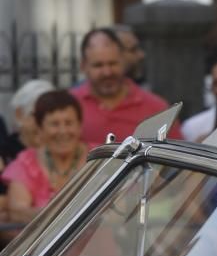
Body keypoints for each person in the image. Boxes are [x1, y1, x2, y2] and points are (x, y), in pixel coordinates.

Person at [70, 28, 179, 147]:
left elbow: (177, 158)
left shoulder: (157, 109)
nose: (107, 72)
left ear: (123, 62)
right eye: (98, 65)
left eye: (112, 63)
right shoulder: (69, 105)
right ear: (83, 66)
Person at [2, 90, 87, 223]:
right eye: (54, 124)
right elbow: (17, 212)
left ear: (80, 126)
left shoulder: (101, 157)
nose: (63, 131)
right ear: (40, 128)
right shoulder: (26, 162)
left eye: (69, 123)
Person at [1, 79, 55, 164]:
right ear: (19, 115)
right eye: (36, 115)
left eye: (50, 116)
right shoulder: (4, 154)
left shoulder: (62, 150)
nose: (43, 123)